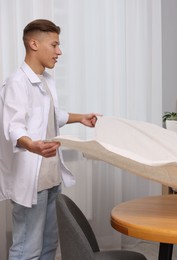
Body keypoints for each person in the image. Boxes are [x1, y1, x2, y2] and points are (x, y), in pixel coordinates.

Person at [0, 19, 99, 260]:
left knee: (48, 247)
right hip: (32, 180)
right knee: (27, 249)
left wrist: (80, 118)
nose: (59, 51)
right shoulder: (16, 82)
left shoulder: (46, 80)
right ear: (34, 44)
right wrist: (31, 145)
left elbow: (52, 115)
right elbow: (13, 126)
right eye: (54, 45)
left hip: (51, 177)